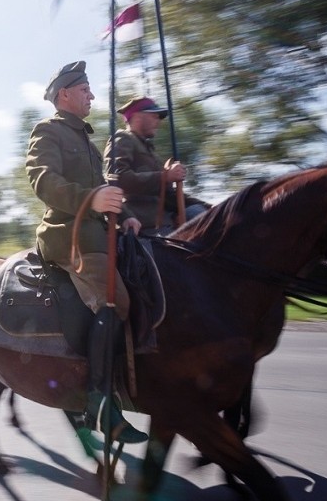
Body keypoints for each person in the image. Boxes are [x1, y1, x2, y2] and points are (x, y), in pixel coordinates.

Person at [25, 61, 147, 444]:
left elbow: (104, 189)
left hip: (103, 234)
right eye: (85, 90)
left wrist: (124, 214)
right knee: (115, 301)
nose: (92, 96)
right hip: (72, 238)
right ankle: (97, 402)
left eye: (90, 90)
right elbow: (43, 180)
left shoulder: (88, 142)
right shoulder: (49, 131)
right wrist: (90, 199)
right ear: (64, 94)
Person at [104, 96, 209, 236]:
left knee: (203, 214)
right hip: (142, 225)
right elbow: (119, 179)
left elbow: (168, 194)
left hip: (165, 223)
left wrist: (209, 207)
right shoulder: (123, 138)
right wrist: (165, 176)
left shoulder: (150, 150)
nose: (158, 121)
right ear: (137, 116)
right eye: (154, 116)